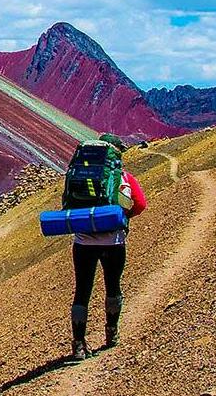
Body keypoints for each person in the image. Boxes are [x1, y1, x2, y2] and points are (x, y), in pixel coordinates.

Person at [69, 135, 146, 361]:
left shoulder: (79, 174)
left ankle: (79, 345)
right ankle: (111, 334)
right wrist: (122, 218)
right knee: (113, 286)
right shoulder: (123, 177)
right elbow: (140, 204)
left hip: (83, 243)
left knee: (82, 291)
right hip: (114, 242)